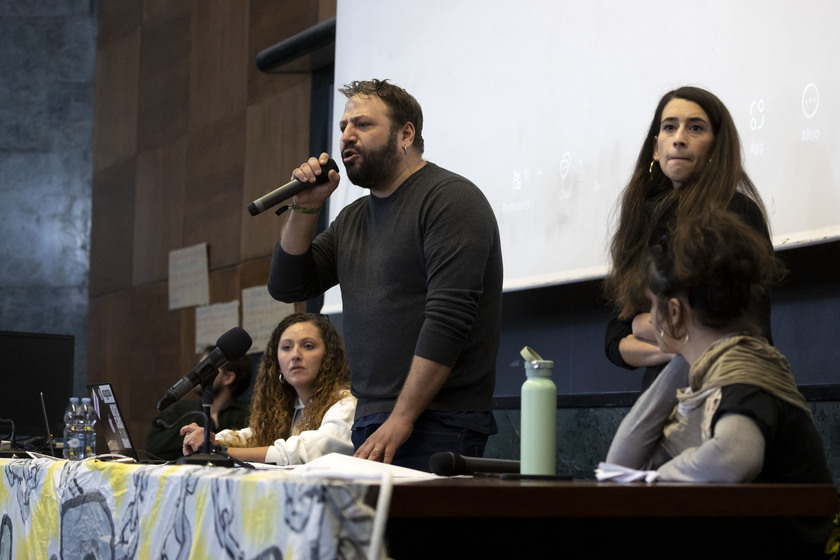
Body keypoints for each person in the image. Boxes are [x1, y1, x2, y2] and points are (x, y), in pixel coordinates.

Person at [266, 79, 503, 471]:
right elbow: (289, 284)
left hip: (437, 422)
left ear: (405, 133)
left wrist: (402, 418)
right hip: (371, 421)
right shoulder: (353, 218)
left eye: (362, 124)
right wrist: (304, 207)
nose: (346, 137)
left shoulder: (449, 200)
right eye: (343, 127)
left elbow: (448, 320)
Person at [605, 210, 836, 555]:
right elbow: (618, 466)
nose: (648, 319)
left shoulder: (745, 376)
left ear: (674, 313)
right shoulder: (712, 368)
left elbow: (732, 458)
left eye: (652, 307)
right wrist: (683, 357)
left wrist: (656, 478)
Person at [603, 86, 772, 391]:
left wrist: (646, 327)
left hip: (724, 392)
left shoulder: (735, 212)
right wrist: (677, 346)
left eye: (695, 128)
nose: (679, 137)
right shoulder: (644, 218)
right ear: (656, 147)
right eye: (669, 127)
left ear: (717, 147)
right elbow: (615, 339)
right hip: (662, 399)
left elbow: (737, 330)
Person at [180, 313, 355, 465]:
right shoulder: (289, 407)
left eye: (308, 346)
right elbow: (251, 436)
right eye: (286, 347)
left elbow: (304, 451)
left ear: (328, 358)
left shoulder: (346, 404)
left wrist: (222, 450)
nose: (295, 355)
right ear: (277, 363)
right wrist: (211, 440)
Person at [146, 349, 251, 461]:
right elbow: (153, 448)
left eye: (205, 368)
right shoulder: (180, 409)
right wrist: (204, 425)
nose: (196, 373)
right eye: (198, 366)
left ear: (228, 378)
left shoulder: (246, 415)